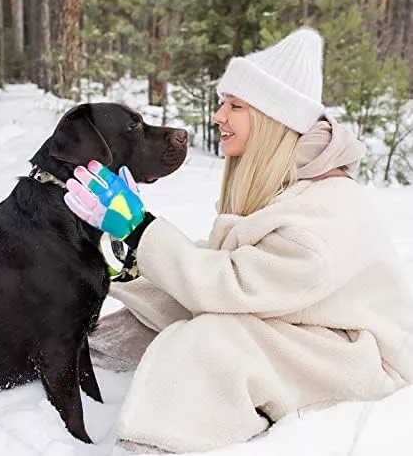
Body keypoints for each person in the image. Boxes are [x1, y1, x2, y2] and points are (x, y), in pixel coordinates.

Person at [64, 27, 413, 454]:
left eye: (235, 106)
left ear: (271, 120)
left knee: (208, 340)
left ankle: (154, 445)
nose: (218, 117)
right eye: (221, 103)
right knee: (149, 322)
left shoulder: (324, 214)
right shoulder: (289, 181)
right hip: (299, 325)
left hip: (355, 358)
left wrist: (140, 229)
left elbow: (231, 284)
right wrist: (129, 258)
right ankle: (74, 358)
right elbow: (219, 269)